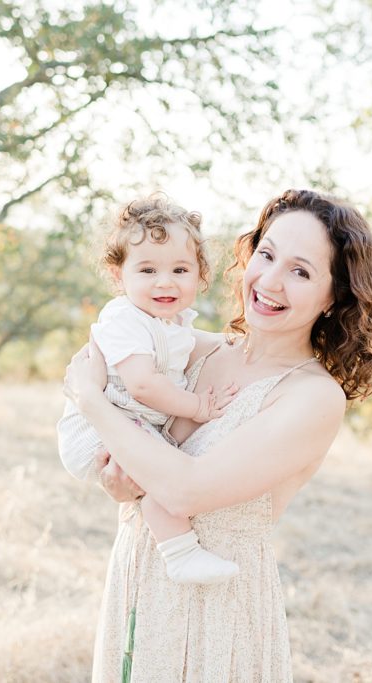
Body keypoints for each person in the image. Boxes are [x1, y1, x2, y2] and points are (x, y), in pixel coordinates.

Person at [62, 189, 372, 682]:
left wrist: (91, 401)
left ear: (333, 297)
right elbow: (98, 366)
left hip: (219, 614)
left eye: (301, 271)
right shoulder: (193, 348)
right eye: (267, 255)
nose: (271, 281)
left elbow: (184, 489)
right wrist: (117, 483)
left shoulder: (311, 396)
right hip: (139, 582)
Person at [57, 194, 240, 585]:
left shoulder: (170, 322)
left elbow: (201, 343)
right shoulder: (125, 318)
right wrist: (197, 408)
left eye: (180, 268)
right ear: (118, 275)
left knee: (162, 463)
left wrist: (237, 344)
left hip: (125, 422)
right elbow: (142, 385)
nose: (165, 281)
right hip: (95, 432)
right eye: (147, 270)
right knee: (161, 471)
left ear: (200, 274)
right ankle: (180, 553)